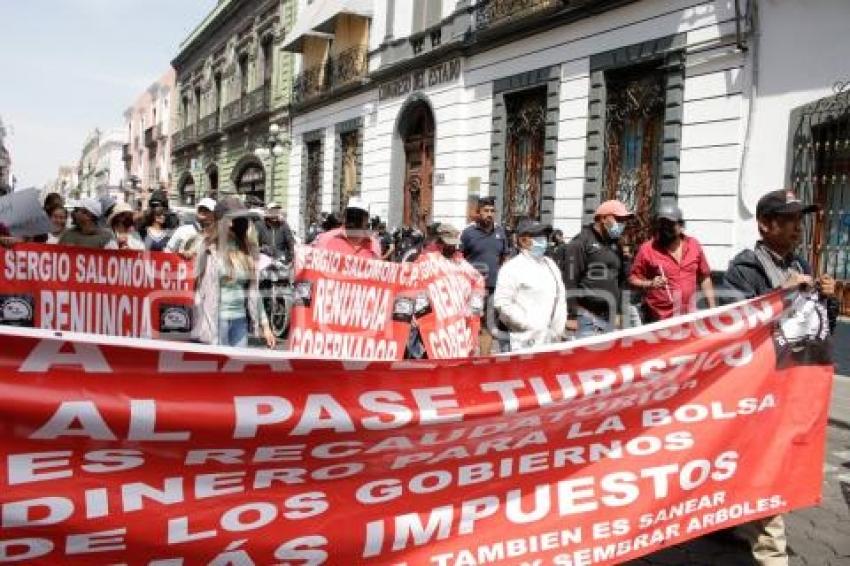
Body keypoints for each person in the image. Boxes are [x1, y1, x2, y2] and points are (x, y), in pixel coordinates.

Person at [724, 188, 837, 566]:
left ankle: (730, 521)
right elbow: (736, 330)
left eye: (799, 221)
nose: (797, 229)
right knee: (765, 469)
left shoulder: (800, 263)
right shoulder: (744, 268)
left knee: (762, 462)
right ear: (765, 225)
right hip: (757, 387)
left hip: (790, 385)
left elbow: (818, 327)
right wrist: (776, 295)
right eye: (788, 221)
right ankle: (772, 555)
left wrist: (828, 299)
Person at [193, 196, 276, 349]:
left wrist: (265, 326)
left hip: (240, 321)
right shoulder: (208, 249)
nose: (234, 224)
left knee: (236, 369)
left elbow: (254, 292)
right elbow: (198, 290)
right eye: (231, 219)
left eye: (239, 220)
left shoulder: (246, 250)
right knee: (217, 370)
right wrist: (202, 324)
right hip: (216, 322)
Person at [628, 204, 716, 321]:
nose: (665, 228)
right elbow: (632, 279)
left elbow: (704, 277)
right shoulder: (647, 249)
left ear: (681, 226)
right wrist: (650, 284)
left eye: (670, 224)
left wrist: (713, 310)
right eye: (661, 224)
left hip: (689, 318)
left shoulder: (693, 245)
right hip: (659, 321)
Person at [560, 199, 633, 338]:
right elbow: (570, 280)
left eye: (624, 220)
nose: (622, 224)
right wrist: (571, 316)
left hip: (610, 317)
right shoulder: (581, 242)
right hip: (585, 317)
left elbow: (620, 280)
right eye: (618, 219)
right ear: (603, 218)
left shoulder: (615, 244)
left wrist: (619, 311)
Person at [493, 219, 567, 351]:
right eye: (537, 236)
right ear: (522, 240)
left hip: (549, 340)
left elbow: (560, 297)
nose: (543, 240)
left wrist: (558, 328)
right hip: (522, 341)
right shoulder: (512, 268)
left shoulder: (550, 264)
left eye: (544, 235)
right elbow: (502, 303)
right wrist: (530, 325)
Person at [460, 196, 510, 354]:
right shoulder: (468, 233)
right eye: (486, 211)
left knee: (488, 325)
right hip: (472, 289)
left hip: (493, 288)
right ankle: (465, 356)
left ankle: (484, 359)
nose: (489, 214)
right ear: (478, 213)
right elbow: (459, 259)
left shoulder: (500, 232)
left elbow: (504, 257)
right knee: (469, 322)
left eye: (492, 211)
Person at [313, 199, 381, 258]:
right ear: (344, 216)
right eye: (350, 215)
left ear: (366, 220)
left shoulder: (373, 245)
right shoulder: (326, 238)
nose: (353, 220)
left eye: (358, 217)